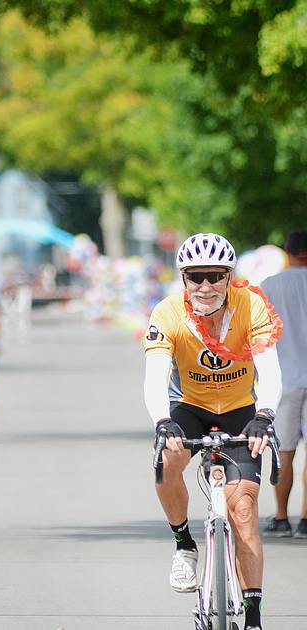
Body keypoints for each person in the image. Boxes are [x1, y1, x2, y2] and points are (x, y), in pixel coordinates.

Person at [146, 233, 282, 630]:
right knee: (166, 460)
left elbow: (269, 367)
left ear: (229, 277)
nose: (205, 286)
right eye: (196, 277)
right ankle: (184, 544)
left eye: (215, 276)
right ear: (184, 279)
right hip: (191, 408)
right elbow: (155, 377)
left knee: (243, 511)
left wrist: (265, 415)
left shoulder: (252, 305)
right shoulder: (168, 312)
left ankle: (253, 616)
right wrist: (162, 421)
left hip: (242, 411)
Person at [260, 230, 307, 538]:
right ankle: (306, 518)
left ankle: (280, 517)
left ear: (287, 251)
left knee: (284, 452)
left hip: (285, 379)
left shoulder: (269, 287)